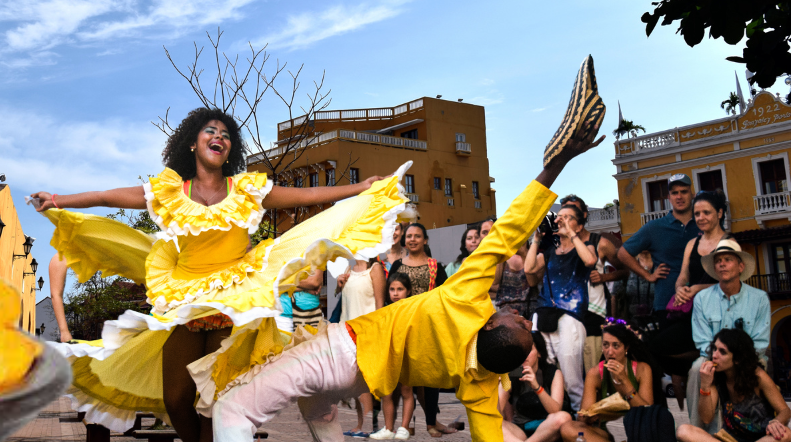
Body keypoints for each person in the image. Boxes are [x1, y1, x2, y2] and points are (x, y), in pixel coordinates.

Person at [209, 106, 607, 442]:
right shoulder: (482, 383)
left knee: (232, 408)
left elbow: (510, 229)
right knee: (320, 408)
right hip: (360, 380)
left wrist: (559, 159)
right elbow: (488, 435)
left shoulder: (465, 300)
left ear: (489, 327)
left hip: (343, 352)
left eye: (514, 320)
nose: (520, 315)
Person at [30, 108, 411, 441]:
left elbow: (306, 196)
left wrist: (358, 189)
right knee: (176, 397)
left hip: (234, 298)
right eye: (211, 131)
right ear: (193, 144)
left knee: (216, 399)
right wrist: (61, 200)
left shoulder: (245, 189)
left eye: (226, 135)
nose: (219, 137)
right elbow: (110, 196)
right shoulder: (170, 190)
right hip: (186, 296)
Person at [686, 238, 772, 433]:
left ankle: (757, 428)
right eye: (718, 261)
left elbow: (759, 342)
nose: (722, 264)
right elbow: (702, 340)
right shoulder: (702, 299)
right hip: (713, 358)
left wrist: (734, 361)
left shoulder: (759, 299)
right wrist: (721, 360)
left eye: (728, 259)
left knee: (761, 368)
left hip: (748, 360)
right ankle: (697, 431)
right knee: (697, 368)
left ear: (740, 266)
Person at [661, 190, 732, 408]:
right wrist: (681, 289)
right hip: (690, 313)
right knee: (656, 346)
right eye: (697, 213)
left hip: (719, 316)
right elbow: (682, 276)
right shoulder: (692, 243)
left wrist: (698, 288)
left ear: (719, 213)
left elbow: (731, 285)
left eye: (706, 213)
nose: (700, 218)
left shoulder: (729, 243)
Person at [525, 202, 598, 408]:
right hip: (543, 315)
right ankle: (549, 414)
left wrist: (572, 235)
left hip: (570, 318)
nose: (561, 220)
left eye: (568, 217)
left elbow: (590, 261)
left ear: (579, 225)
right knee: (545, 369)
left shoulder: (585, 248)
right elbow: (529, 269)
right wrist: (536, 239)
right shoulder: (550, 252)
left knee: (572, 377)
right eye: (559, 217)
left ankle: (578, 422)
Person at [386, 223, 453, 436]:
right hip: (403, 328)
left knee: (429, 377)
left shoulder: (436, 267)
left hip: (427, 327)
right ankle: (407, 424)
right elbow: (389, 296)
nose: (412, 239)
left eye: (417, 236)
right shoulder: (396, 265)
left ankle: (431, 422)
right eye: (409, 236)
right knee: (406, 378)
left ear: (425, 240)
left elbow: (445, 297)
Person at [676, 329, 790, 442]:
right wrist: (705, 385)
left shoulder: (757, 375)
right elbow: (706, 418)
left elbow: (785, 410)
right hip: (729, 438)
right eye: (715, 349)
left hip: (762, 437)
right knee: (683, 431)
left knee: (786, 434)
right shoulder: (716, 376)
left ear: (738, 359)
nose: (714, 355)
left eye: (722, 352)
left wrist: (776, 422)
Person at [562, 194, 628, 378]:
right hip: (566, 315)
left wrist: (604, 277)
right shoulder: (558, 246)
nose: (568, 215)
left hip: (593, 315)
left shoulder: (601, 243)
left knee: (594, 372)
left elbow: (625, 271)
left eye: (573, 210)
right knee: (570, 375)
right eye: (565, 210)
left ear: (583, 215)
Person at [559, 322, 659, 442]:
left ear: (626, 348)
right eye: (606, 345)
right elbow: (583, 420)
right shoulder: (595, 373)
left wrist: (625, 382)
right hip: (607, 434)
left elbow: (647, 414)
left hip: (636, 432)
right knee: (568, 428)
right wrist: (588, 416)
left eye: (616, 346)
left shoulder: (642, 369)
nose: (609, 352)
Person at [615, 174, 701, 311]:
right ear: (669, 198)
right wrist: (647, 276)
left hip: (702, 302)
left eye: (684, 192)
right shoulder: (654, 227)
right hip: (667, 303)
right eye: (674, 193)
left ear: (692, 194)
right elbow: (623, 253)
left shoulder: (702, 224)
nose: (679, 196)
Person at [337, 258, 387, 438]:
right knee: (354, 382)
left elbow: (380, 303)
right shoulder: (348, 268)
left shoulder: (375, 269)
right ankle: (360, 423)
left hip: (366, 332)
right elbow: (345, 300)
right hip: (347, 331)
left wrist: (376, 332)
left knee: (363, 381)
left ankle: (367, 425)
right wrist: (339, 284)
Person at [500, 333, 571, 442]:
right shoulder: (512, 374)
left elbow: (555, 410)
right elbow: (496, 413)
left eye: (528, 350)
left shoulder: (552, 373)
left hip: (547, 430)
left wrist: (537, 387)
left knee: (563, 417)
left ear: (539, 353)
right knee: (492, 423)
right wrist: (498, 385)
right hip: (520, 431)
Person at [371, 272, 417, 440]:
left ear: (408, 291)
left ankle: (404, 427)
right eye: (392, 289)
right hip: (388, 355)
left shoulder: (412, 309)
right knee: (387, 393)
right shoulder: (385, 310)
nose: (396, 293)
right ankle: (388, 428)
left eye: (400, 289)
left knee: (406, 390)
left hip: (406, 355)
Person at [494, 244, 532, 317]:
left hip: (528, 307)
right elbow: (495, 281)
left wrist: (524, 254)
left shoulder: (532, 253)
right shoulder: (503, 255)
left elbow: (532, 282)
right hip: (505, 309)